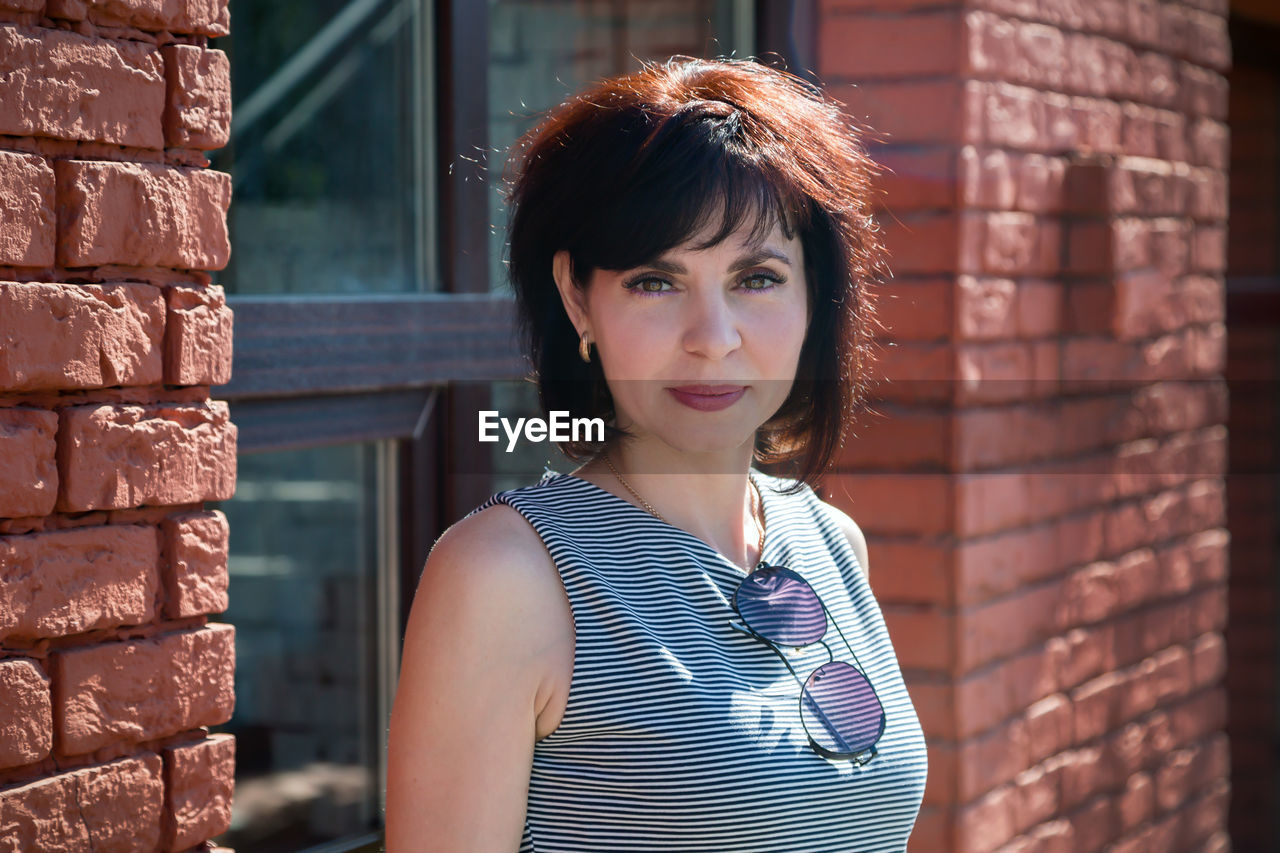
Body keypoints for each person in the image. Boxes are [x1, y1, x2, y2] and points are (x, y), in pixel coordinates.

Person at [386, 55, 928, 852]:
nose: (713, 339)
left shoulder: (832, 544)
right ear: (578, 297)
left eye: (757, 277)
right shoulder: (504, 576)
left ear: (816, 295)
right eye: (654, 281)